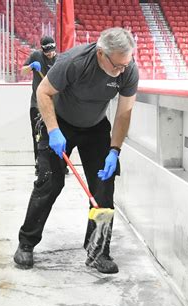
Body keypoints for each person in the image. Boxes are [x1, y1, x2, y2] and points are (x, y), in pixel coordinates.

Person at [14, 27, 138, 274]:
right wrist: (53, 130)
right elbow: (43, 92)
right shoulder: (75, 61)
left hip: (95, 126)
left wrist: (115, 150)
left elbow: (124, 113)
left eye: (126, 65)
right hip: (60, 122)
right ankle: (26, 243)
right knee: (50, 182)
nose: (123, 70)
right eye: (118, 66)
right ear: (102, 54)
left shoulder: (128, 68)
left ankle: (98, 251)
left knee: (103, 187)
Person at [22, 36, 68, 176]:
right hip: (37, 103)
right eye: (47, 52)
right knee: (38, 135)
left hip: (56, 105)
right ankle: (40, 165)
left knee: (60, 134)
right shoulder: (36, 56)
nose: (50, 54)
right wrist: (31, 67)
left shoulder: (59, 59)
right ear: (42, 49)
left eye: (52, 51)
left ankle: (60, 165)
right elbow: (23, 70)